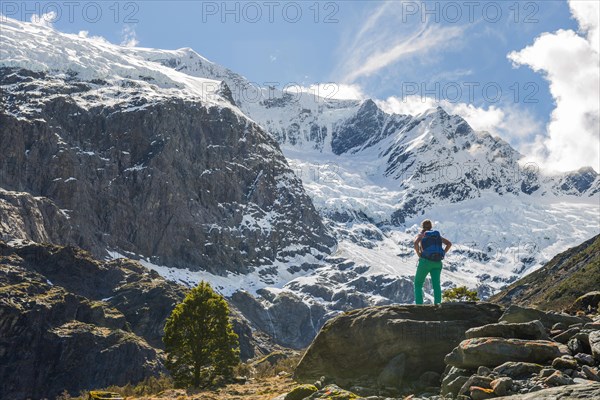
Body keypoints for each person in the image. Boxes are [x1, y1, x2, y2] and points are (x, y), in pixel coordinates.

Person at [413, 219, 451, 305]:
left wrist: (419, 254)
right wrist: (443, 252)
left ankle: (419, 306)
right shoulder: (436, 236)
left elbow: (415, 244)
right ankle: (437, 305)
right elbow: (449, 244)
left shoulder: (421, 235)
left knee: (418, 284)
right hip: (437, 262)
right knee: (436, 285)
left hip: (425, 262)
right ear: (431, 226)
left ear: (422, 226)